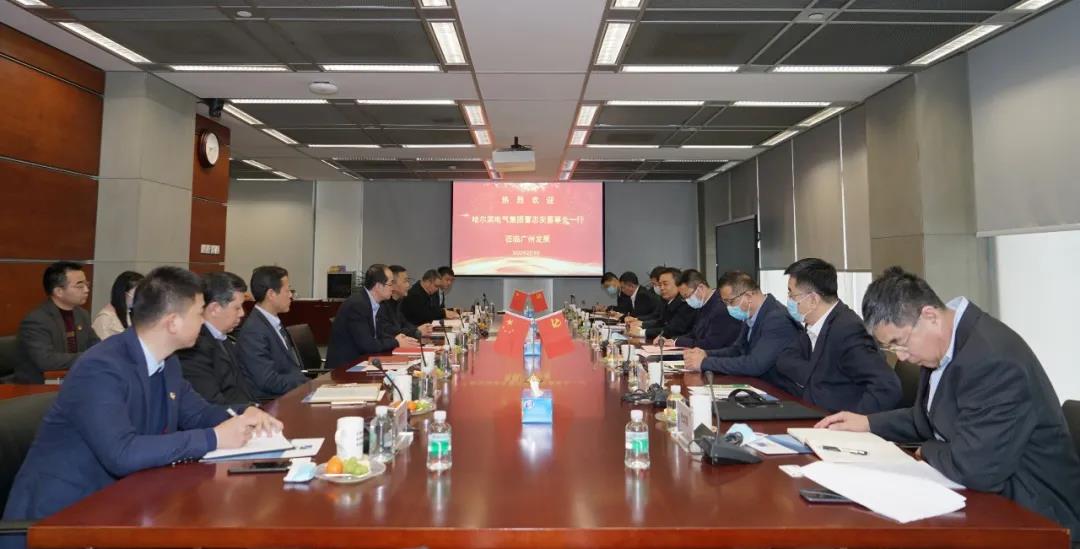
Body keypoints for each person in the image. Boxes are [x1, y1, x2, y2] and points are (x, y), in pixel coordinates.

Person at [2, 267, 282, 536]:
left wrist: (246, 413)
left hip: (124, 502)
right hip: (60, 520)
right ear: (172, 322)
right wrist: (213, 438)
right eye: (199, 313)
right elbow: (122, 453)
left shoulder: (167, 362)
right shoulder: (101, 368)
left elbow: (198, 414)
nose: (203, 320)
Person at [817, 267, 1080, 542]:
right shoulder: (947, 346)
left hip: (1036, 516)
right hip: (987, 497)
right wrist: (868, 423)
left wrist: (927, 450)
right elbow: (927, 418)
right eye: (892, 348)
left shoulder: (992, 361)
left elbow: (977, 469)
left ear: (929, 316)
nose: (902, 357)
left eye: (900, 343)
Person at [773, 258, 901, 413]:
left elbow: (887, 386)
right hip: (812, 410)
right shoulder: (814, 324)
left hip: (835, 419)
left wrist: (854, 421)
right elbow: (784, 359)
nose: (789, 300)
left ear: (813, 299)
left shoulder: (848, 330)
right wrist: (815, 374)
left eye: (792, 295)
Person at [683, 272, 801, 391]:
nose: (728, 307)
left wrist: (705, 363)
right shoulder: (750, 314)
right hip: (757, 385)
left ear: (748, 296)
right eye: (725, 303)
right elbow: (737, 350)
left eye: (730, 302)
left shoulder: (776, 319)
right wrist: (706, 354)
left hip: (780, 392)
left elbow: (755, 364)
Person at [177, 271, 256, 406]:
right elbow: (212, 403)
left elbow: (240, 388)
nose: (242, 313)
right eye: (237, 308)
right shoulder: (193, 348)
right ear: (215, 308)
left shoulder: (222, 338)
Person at [14, 261, 100, 384]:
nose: (86, 290)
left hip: (73, 380)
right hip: (39, 387)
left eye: (87, 284)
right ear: (59, 291)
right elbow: (47, 361)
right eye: (80, 286)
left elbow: (96, 346)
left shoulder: (82, 314)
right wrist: (90, 356)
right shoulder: (36, 320)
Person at [327, 264, 420, 369]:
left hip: (363, 361)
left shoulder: (375, 304)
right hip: (345, 368)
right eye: (390, 284)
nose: (392, 288)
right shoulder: (357, 305)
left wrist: (400, 339)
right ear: (378, 286)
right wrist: (396, 342)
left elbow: (380, 335)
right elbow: (367, 345)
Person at [235, 266, 307, 401]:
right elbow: (268, 381)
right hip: (272, 402)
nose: (291, 295)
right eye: (287, 290)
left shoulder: (270, 322)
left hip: (288, 394)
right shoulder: (254, 331)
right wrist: (307, 384)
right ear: (271, 294)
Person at [659, 269, 741, 351]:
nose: (687, 300)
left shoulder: (720, 307)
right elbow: (695, 333)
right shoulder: (703, 305)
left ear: (701, 288)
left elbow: (711, 344)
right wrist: (674, 340)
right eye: (684, 298)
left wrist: (678, 342)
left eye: (687, 296)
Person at [628, 267, 695, 341]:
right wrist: (640, 328)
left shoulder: (686, 303)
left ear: (678, 284)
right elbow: (660, 323)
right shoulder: (667, 301)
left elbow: (673, 330)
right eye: (660, 285)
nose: (662, 288)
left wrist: (643, 332)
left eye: (665, 284)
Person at [378, 265, 432, 340]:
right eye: (405, 281)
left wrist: (417, 329)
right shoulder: (382, 304)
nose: (408, 285)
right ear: (392, 284)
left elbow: (404, 323)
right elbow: (390, 331)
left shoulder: (398, 301)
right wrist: (416, 332)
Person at [91, 271, 143, 340]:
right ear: (123, 293)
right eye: (137, 293)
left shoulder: (132, 312)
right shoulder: (105, 318)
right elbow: (100, 345)